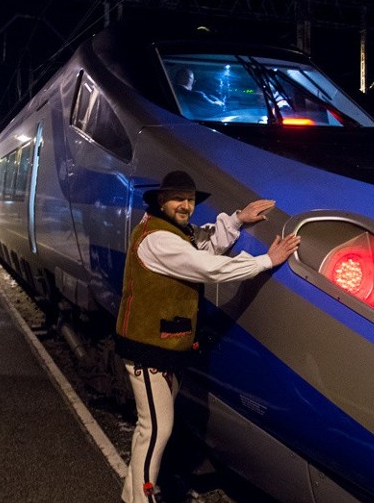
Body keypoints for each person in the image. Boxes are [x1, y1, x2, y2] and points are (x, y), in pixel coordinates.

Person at [114, 170, 300, 503]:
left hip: (164, 349)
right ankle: (139, 499)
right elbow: (209, 267)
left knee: (154, 429)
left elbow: (205, 242)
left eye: (189, 200)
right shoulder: (158, 240)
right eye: (178, 199)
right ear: (161, 201)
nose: (185, 206)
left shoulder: (172, 231)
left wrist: (239, 219)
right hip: (148, 352)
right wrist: (266, 261)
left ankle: (134, 495)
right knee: (154, 430)